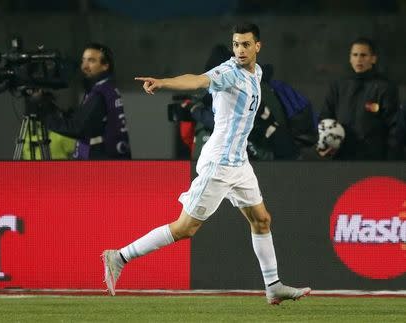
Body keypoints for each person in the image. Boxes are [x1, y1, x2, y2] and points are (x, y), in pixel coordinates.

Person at [102, 23, 310, 305]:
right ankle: (120, 256)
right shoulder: (228, 72)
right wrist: (164, 82)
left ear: (257, 46)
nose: (239, 50)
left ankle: (273, 286)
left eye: (245, 44)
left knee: (261, 220)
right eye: (236, 44)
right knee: (185, 228)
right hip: (219, 162)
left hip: (239, 163)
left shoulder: (257, 72)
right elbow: (198, 80)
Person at [43, 42, 131, 160]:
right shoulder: (106, 88)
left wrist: (45, 116)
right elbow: (84, 120)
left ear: (105, 66)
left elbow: (78, 128)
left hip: (101, 162)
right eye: (83, 60)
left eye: (91, 61)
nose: (84, 66)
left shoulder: (100, 92)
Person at [318, 37, 401, 160]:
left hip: (374, 161)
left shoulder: (385, 88)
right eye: (355, 55)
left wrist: (391, 159)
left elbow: (395, 127)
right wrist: (325, 145)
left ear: (373, 59)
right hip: (342, 158)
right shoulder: (338, 87)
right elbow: (325, 119)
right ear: (350, 58)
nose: (358, 59)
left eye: (363, 55)